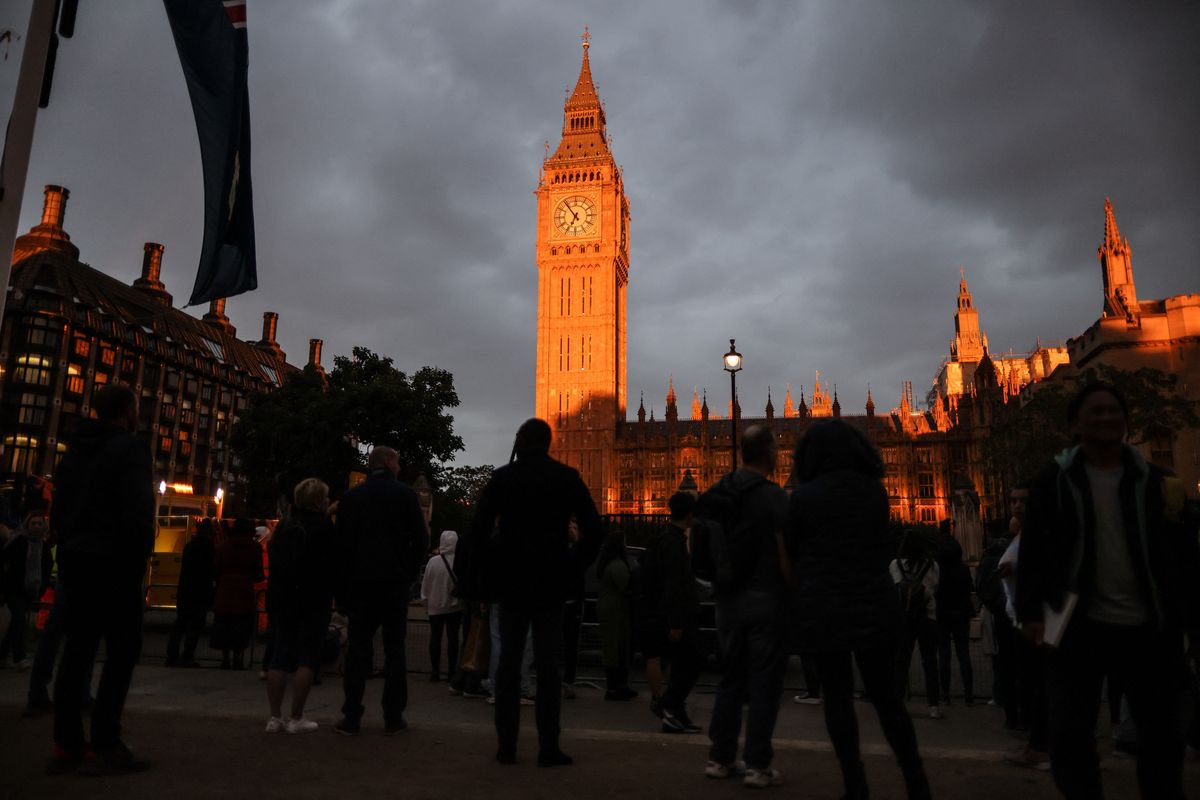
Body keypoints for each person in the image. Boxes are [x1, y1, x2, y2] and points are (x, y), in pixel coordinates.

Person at [1017, 382, 1200, 799]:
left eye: (1113, 410)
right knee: (1070, 738)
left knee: (1162, 739)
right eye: (1094, 412)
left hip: (1150, 627)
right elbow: (1035, 551)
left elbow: (1184, 560)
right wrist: (1031, 613)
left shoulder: (1159, 483)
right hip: (1078, 626)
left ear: (1126, 419)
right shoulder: (1054, 483)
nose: (1106, 418)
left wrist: (1194, 623)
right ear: (1075, 424)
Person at [785, 419, 931, 799]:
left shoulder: (802, 498)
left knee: (837, 699)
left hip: (826, 608)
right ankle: (916, 781)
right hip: (874, 605)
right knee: (887, 700)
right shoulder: (875, 493)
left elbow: (792, 554)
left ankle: (856, 783)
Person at [469, 418, 603, 767]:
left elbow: (478, 531)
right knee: (548, 668)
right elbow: (595, 532)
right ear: (548, 442)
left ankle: (506, 747)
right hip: (550, 584)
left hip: (511, 583)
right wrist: (571, 566)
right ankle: (548, 747)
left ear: (521, 441)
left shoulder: (503, 477)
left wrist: (487, 573)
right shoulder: (566, 477)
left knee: (509, 667)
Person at [48, 383, 154, 774]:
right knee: (122, 651)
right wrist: (140, 555)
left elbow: (59, 506)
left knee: (76, 652)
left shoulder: (76, 450)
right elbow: (138, 511)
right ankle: (106, 741)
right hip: (115, 563)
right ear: (128, 411)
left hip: (77, 560)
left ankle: (66, 743)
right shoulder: (131, 449)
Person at [703, 425, 790, 789]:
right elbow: (787, 555)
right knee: (764, 683)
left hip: (726, 599)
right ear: (769, 453)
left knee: (731, 680)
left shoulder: (718, 491)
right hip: (764, 597)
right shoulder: (774, 496)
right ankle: (757, 765)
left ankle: (721, 758)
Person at [335, 446, 428, 736]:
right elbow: (421, 540)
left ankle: (352, 715)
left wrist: (343, 589)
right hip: (393, 585)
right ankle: (393, 716)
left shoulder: (351, 498)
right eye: (398, 461)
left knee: (358, 649)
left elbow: (342, 548)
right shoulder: (405, 495)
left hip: (361, 585)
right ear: (388, 463)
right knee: (395, 649)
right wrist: (407, 573)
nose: (400, 466)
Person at [264, 478, 335, 734]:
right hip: (312, 599)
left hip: (282, 598)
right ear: (318, 500)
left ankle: (275, 717)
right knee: (307, 657)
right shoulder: (324, 527)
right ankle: (296, 716)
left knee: (279, 657)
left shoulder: (283, 527)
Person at [639, 491, 701, 729]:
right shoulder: (673, 543)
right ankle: (669, 704)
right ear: (689, 513)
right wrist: (675, 623)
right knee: (694, 659)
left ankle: (675, 713)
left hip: (670, 614)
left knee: (683, 662)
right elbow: (674, 585)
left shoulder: (668, 538)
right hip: (676, 617)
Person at [891, 531, 942, 719]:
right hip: (927, 617)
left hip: (904, 618)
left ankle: (897, 702)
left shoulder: (895, 565)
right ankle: (933, 706)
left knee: (901, 661)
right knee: (929, 662)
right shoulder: (933, 566)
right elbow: (934, 587)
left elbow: (893, 590)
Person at [211, 518, 263, 670]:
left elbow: (215, 569)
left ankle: (225, 658)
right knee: (241, 626)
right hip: (245, 591)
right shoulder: (255, 547)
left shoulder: (223, 546)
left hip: (225, 590)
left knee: (224, 624)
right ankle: (237, 658)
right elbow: (258, 573)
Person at [0, 512, 50, 668]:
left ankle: (2, 655)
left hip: (30, 591)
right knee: (20, 619)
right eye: (33, 523)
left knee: (17, 621)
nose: (36, 526)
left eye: (39, 523)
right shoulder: (18, 542)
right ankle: (19, 657)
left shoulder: (45, 547)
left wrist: (40, 590)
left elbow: (46, 570)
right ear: (27, 525)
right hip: (13, 589)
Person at [166, 518, 216, 668]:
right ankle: (187, 655)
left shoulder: (189, 546)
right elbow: (210, 571)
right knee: (195, 626)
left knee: (180, 624)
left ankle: (172, 656)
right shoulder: (209, 547)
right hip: (200, 591)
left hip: (186, 590)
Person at [934, 531, 975, 705]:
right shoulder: (964, 569)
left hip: (942, 615)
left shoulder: (938, 571)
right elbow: (969, 590)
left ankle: (946, 695)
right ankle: (969, 695)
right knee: (964, 654)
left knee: (944, 656)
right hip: (961, 615)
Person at [596, 532, 637, 701]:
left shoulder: (607, 564)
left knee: (612, 647)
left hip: (608, 609)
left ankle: (615, 686)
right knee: (618, 648)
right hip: (617, 610)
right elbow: (627, 587)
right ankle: (617, 686)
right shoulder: (618, 565)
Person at [421, 530, 464, 683]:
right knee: (453, 639)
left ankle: (435, 671)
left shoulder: (433, 562)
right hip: (454, 607)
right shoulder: (459, 561)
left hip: (435, 606)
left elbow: (426, 584)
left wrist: (426, 599)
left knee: (435, 638)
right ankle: (452, 671)